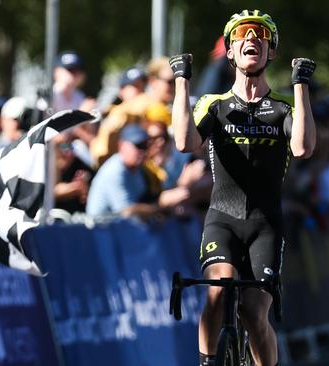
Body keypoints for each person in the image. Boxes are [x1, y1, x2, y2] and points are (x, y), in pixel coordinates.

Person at [169, 9, 316, 366]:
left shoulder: (282, 107)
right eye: (242, 38)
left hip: (266, 223)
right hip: (222, 218)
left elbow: (302, 148)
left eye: (261, 38)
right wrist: (181, 81)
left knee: (253, 312)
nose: (252, 40)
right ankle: (207, 361)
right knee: (218, 293)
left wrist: (300, 87)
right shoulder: (214, 105)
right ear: (230, 54)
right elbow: (184, 143)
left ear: (271, 53)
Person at [85, 124, 156, 218]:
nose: (142, 151)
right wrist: (160, 207)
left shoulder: (138, 168)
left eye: (145, 146)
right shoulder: (114, 170)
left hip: (118, 228)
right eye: (138, 145)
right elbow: (126, 212)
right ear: (121, 145)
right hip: (99, 229)